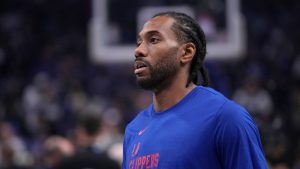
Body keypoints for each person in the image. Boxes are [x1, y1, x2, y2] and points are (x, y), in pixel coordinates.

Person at [122, 11, 268, 169]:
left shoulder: (225, 118)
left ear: (186, 53)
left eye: (154, 40)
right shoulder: (133, 129)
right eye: (139, 43)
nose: (139, 50)